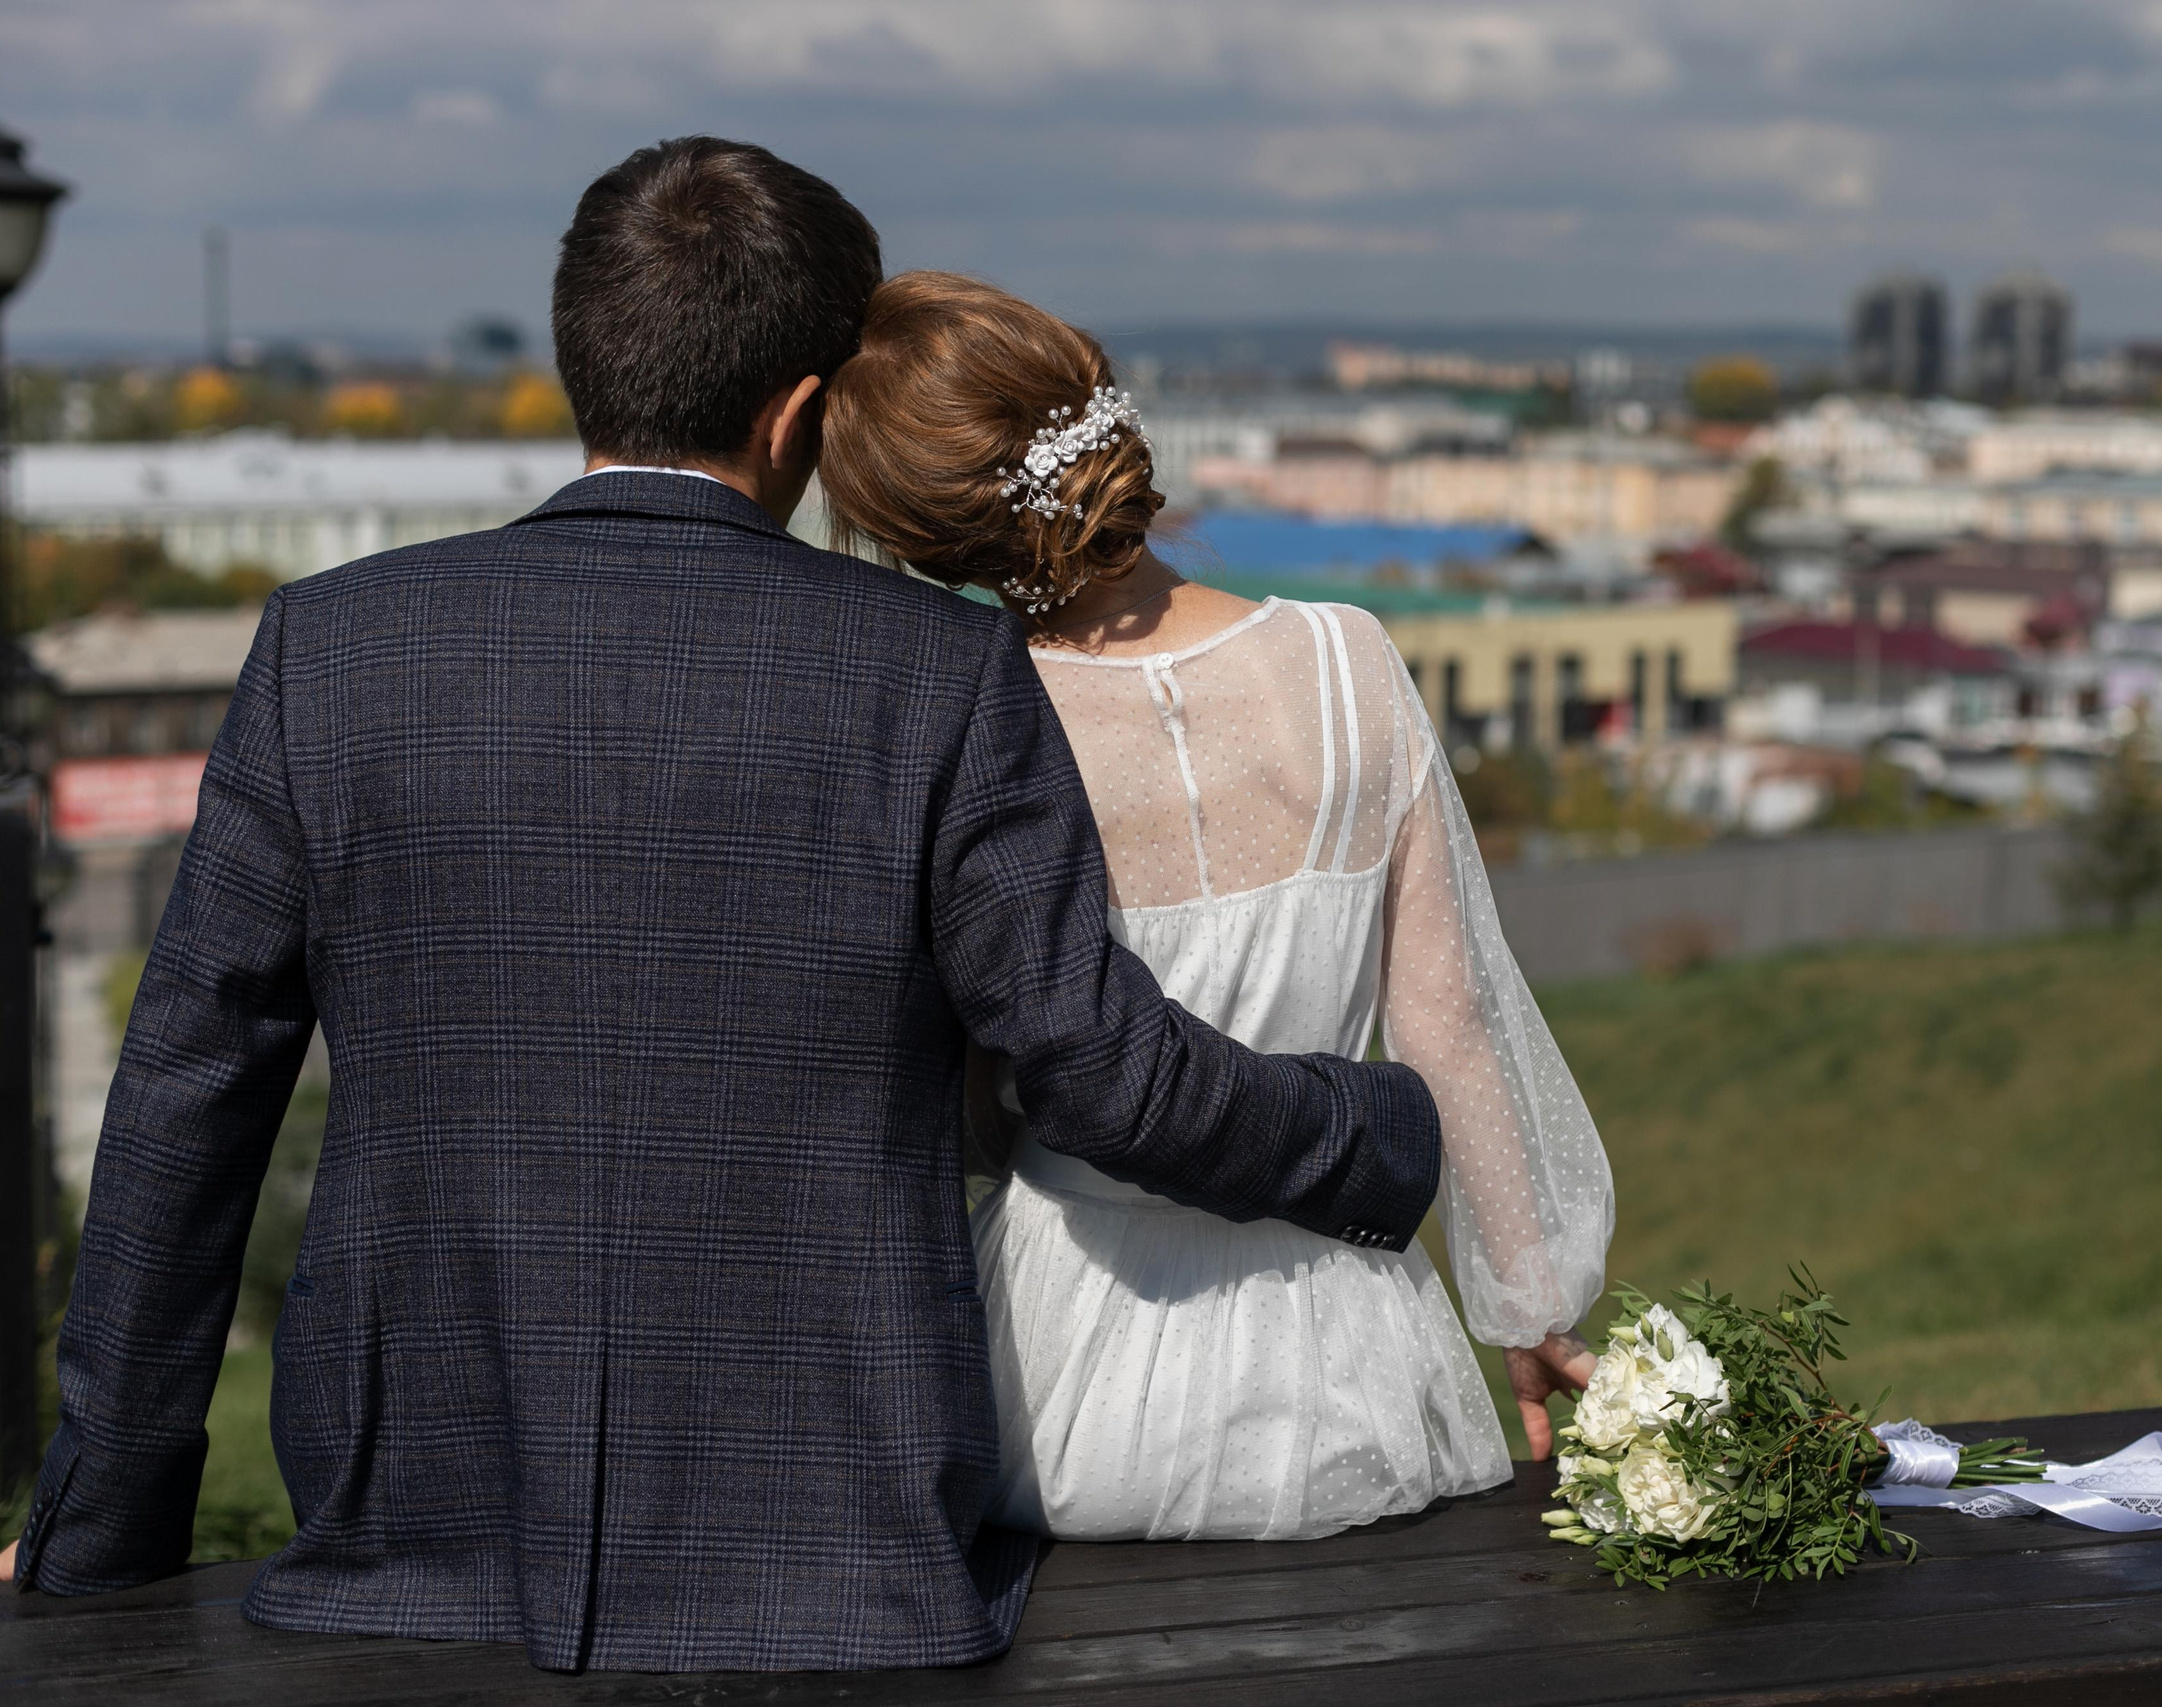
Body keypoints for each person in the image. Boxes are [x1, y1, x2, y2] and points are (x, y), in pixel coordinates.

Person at [7, 140, 1444, 1674]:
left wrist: (101, 1537)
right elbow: (1098, 1070)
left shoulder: (331, 648)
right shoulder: (936, 670)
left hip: (408, 1530)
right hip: (843, 1552)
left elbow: (184, 1098)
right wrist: (1376, 1135)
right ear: (800, 412)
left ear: (583, 358)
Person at [820, 273, 1614, 1541]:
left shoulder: (971, 722)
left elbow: (976, 1084)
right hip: (1347, 1332)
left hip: (1070, 1348)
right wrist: (1529, 1309)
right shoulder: (1350, 659)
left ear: (924, 538)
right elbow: (1448, 1019)